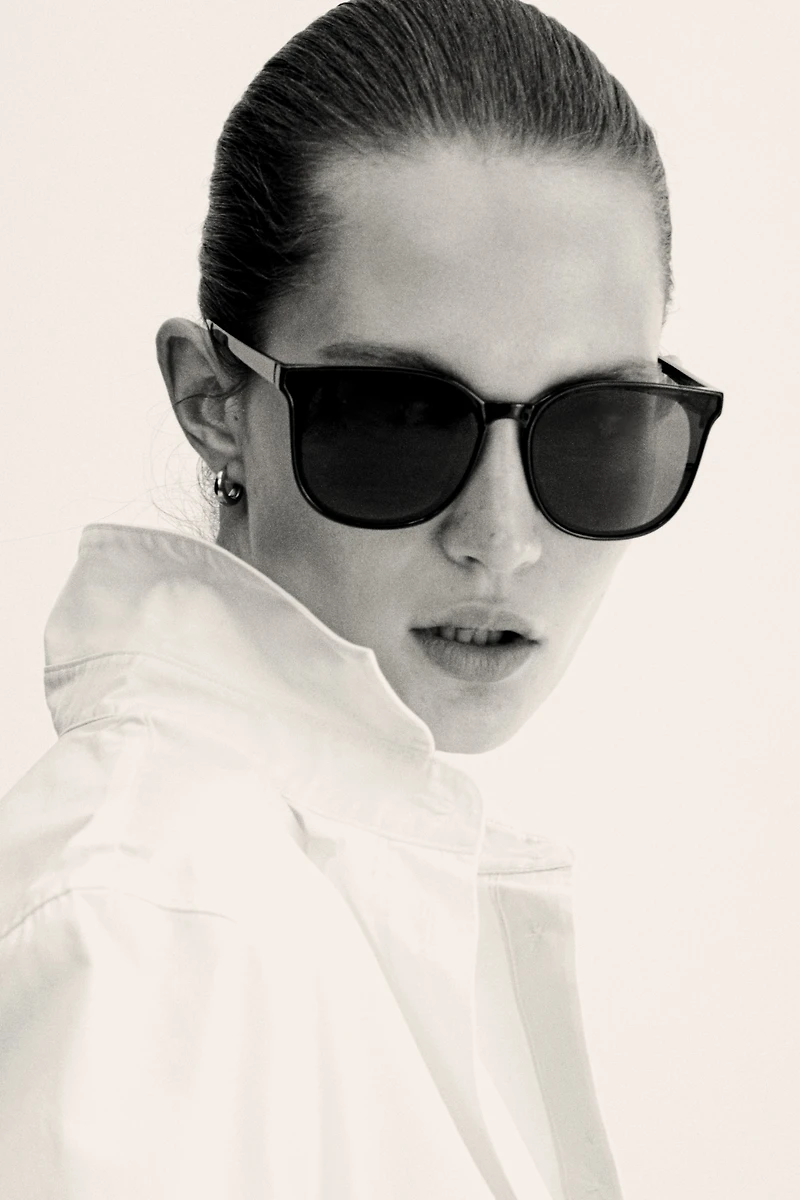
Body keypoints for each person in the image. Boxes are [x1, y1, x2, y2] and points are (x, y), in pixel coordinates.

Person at [0, 1, 723, 1197]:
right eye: (401, 420)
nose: (500, 541)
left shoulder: (317, 889)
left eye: (595, 429)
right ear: (214, 399)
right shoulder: (148, 935)